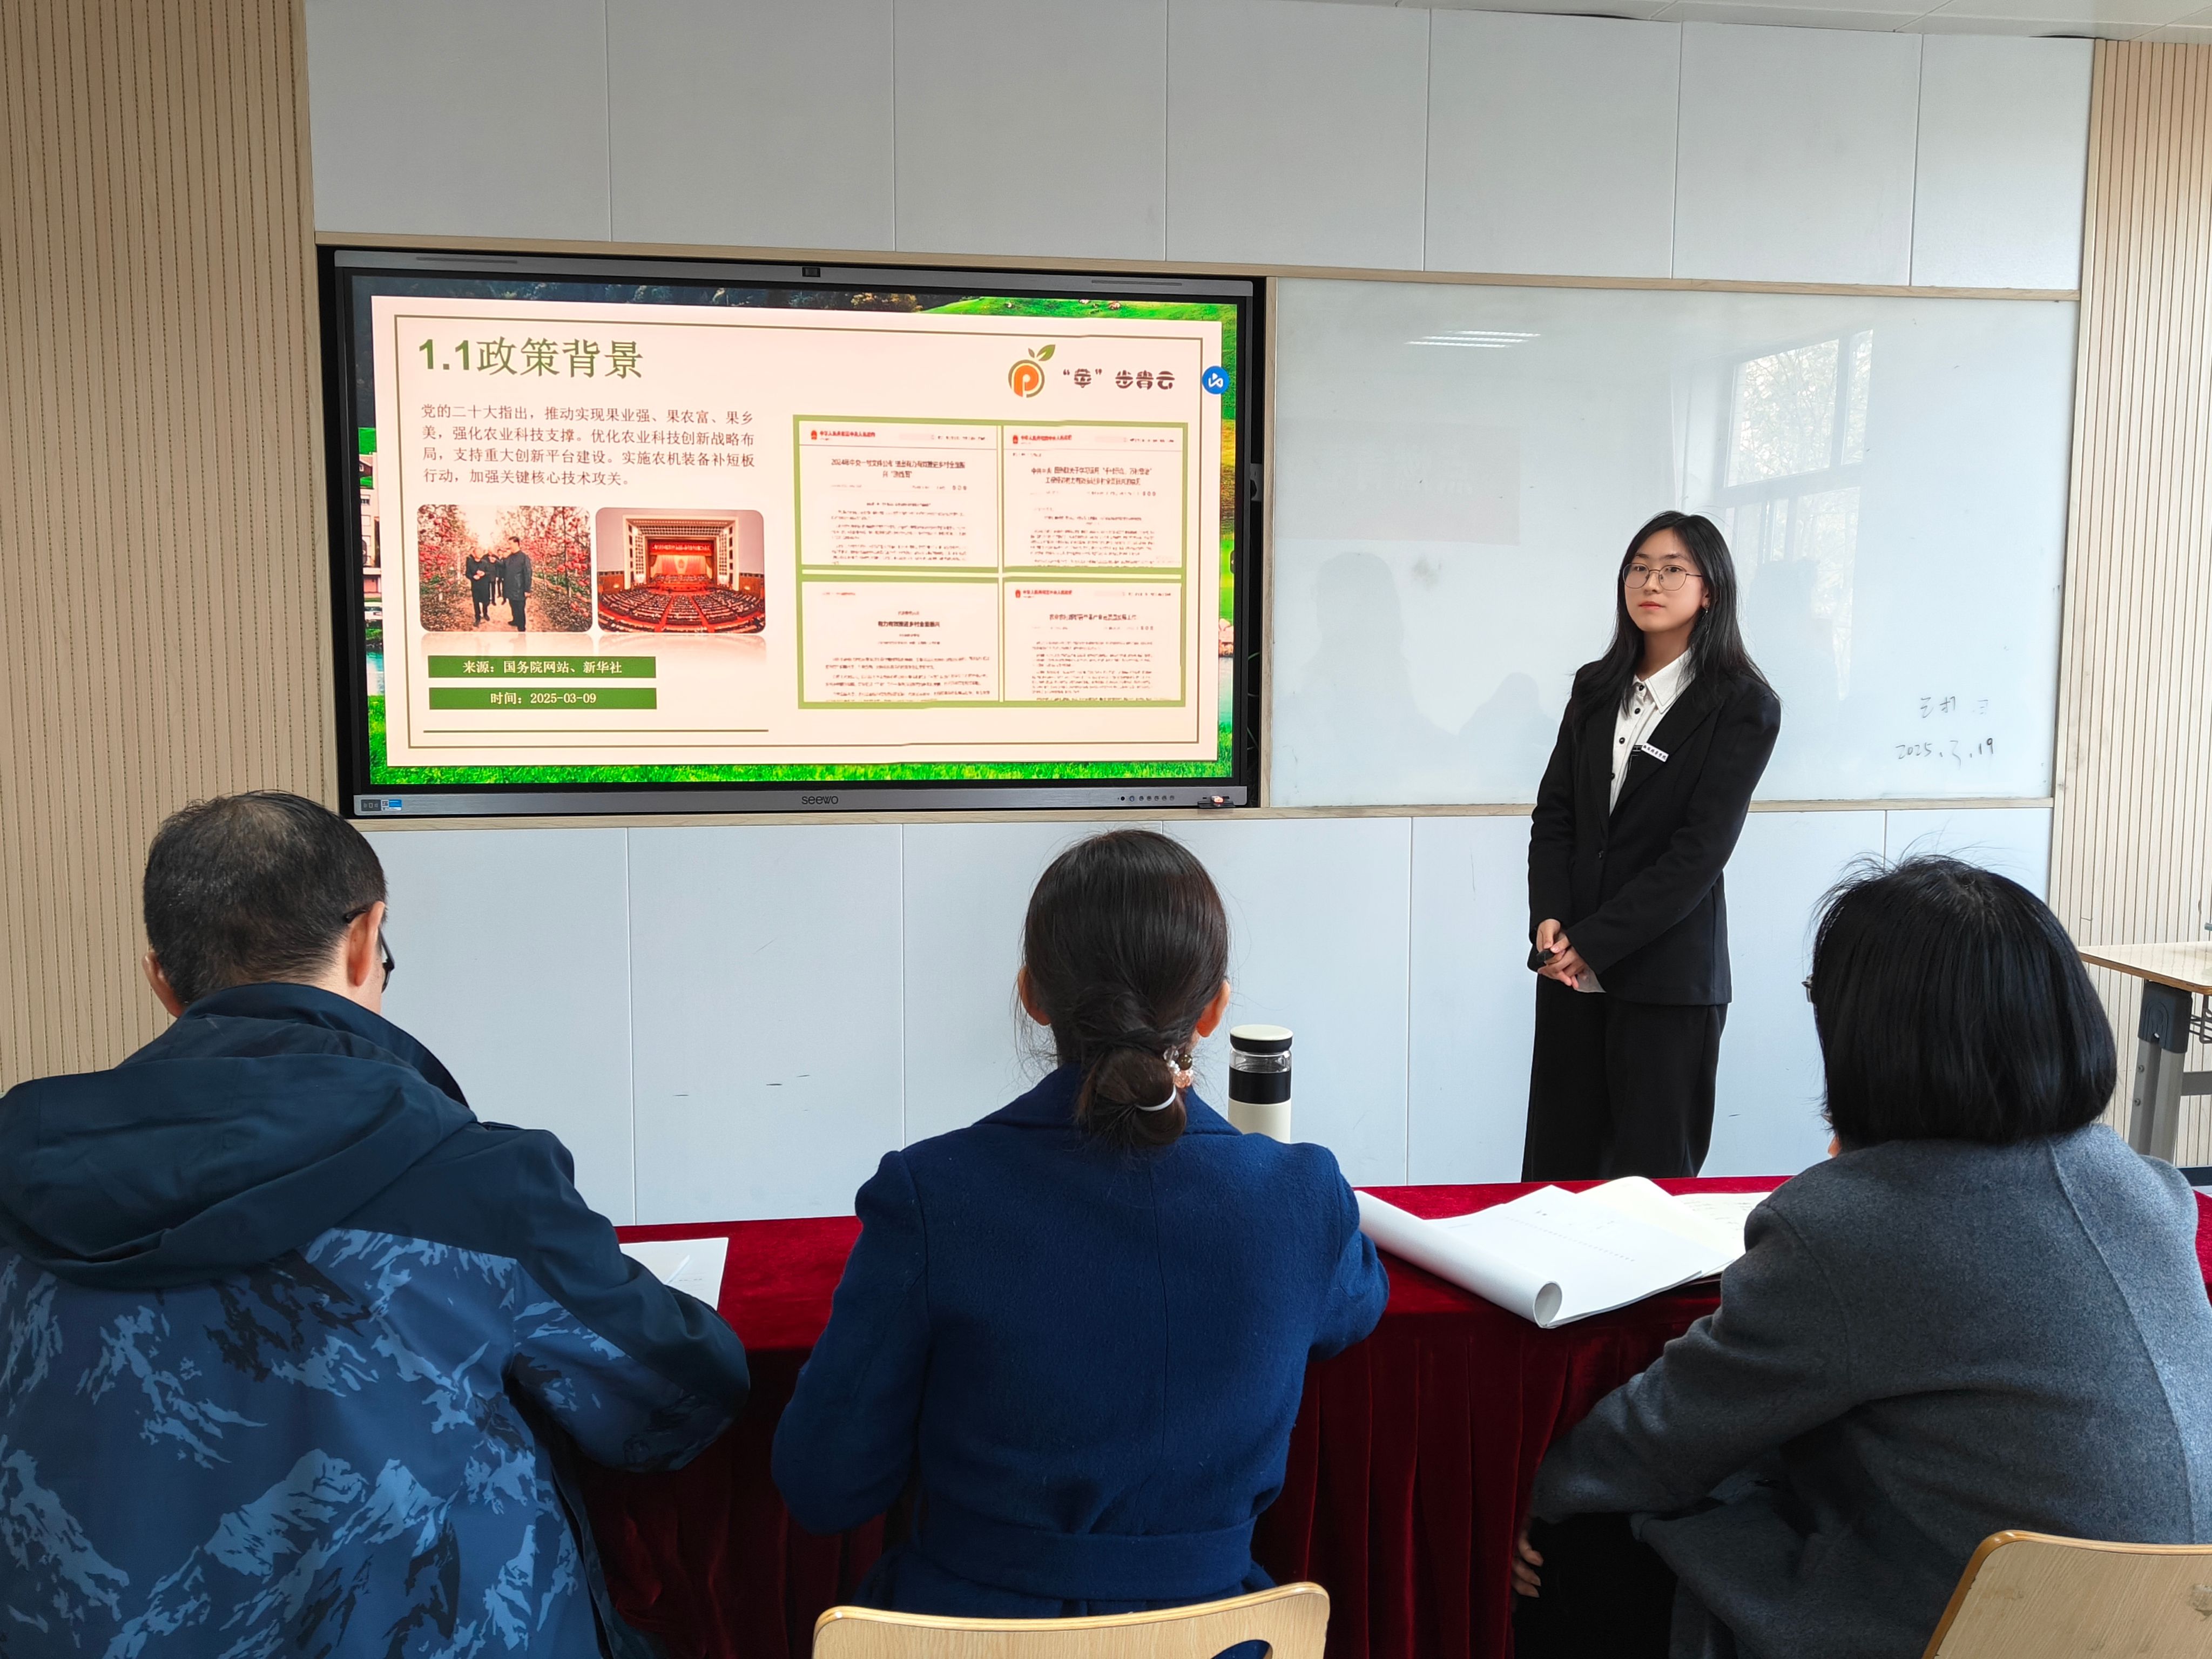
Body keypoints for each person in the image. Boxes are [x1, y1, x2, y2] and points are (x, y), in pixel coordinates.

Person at [0, 791, 750, 1658]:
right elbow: (669, 1403)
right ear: (367, 939)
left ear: (162, 980)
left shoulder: (22, 1176)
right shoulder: (475, 1179)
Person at [1511, 857, 2212, 1659]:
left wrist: (1521, 1500)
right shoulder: (2150, 1189)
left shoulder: (1856, 1226)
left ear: (1873, 1036)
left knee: (1573, 1549)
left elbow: (1664, 1436)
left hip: (1959, 1623)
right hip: (2169, 1624)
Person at [771, 829, 1390, 1620]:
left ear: (1032, 995)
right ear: (1214, 1010)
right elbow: (1355, 1304)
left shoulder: (931, 1194)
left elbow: (823, 1485)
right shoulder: (1300, 1197)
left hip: (963, 1635)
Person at [1523, 511, 1780, 1180]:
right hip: (1569, 970)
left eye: (1671, 570)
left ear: (1709, 590)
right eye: (1638, 568)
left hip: (1667, 981)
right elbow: (1555, 815)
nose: (1650, 583)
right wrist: (1549, 917)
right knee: (1557, 1177)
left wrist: (1594, 941)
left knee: (1650, 1187)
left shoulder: (1742, 705)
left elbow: (1698, 855)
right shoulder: (1594, 687)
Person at [503, 534, 533, 633]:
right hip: (510, 587)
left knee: (520, 609)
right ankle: (515, 621)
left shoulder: (524, 557)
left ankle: (522, 629)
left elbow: (528, 573)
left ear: (516, 544)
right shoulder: (509, 557)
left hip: (520, 588)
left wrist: (527, 590)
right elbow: (504, 567)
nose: (509, 546)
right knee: (513, 606)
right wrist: (496, 561)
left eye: (510, 544)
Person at [466, 547, 494, 623]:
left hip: (484, 585)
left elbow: (489, 573)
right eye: (478, 552)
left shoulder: (485, 563)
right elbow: (467, 574)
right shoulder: (470, 563)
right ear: (474, 554)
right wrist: (473, 577)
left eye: (480, 552)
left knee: (486, 601)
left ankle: (485, 614)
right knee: (476, 602)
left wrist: (484, 574)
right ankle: (477, 617)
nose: (480, 554)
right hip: (475, 586)